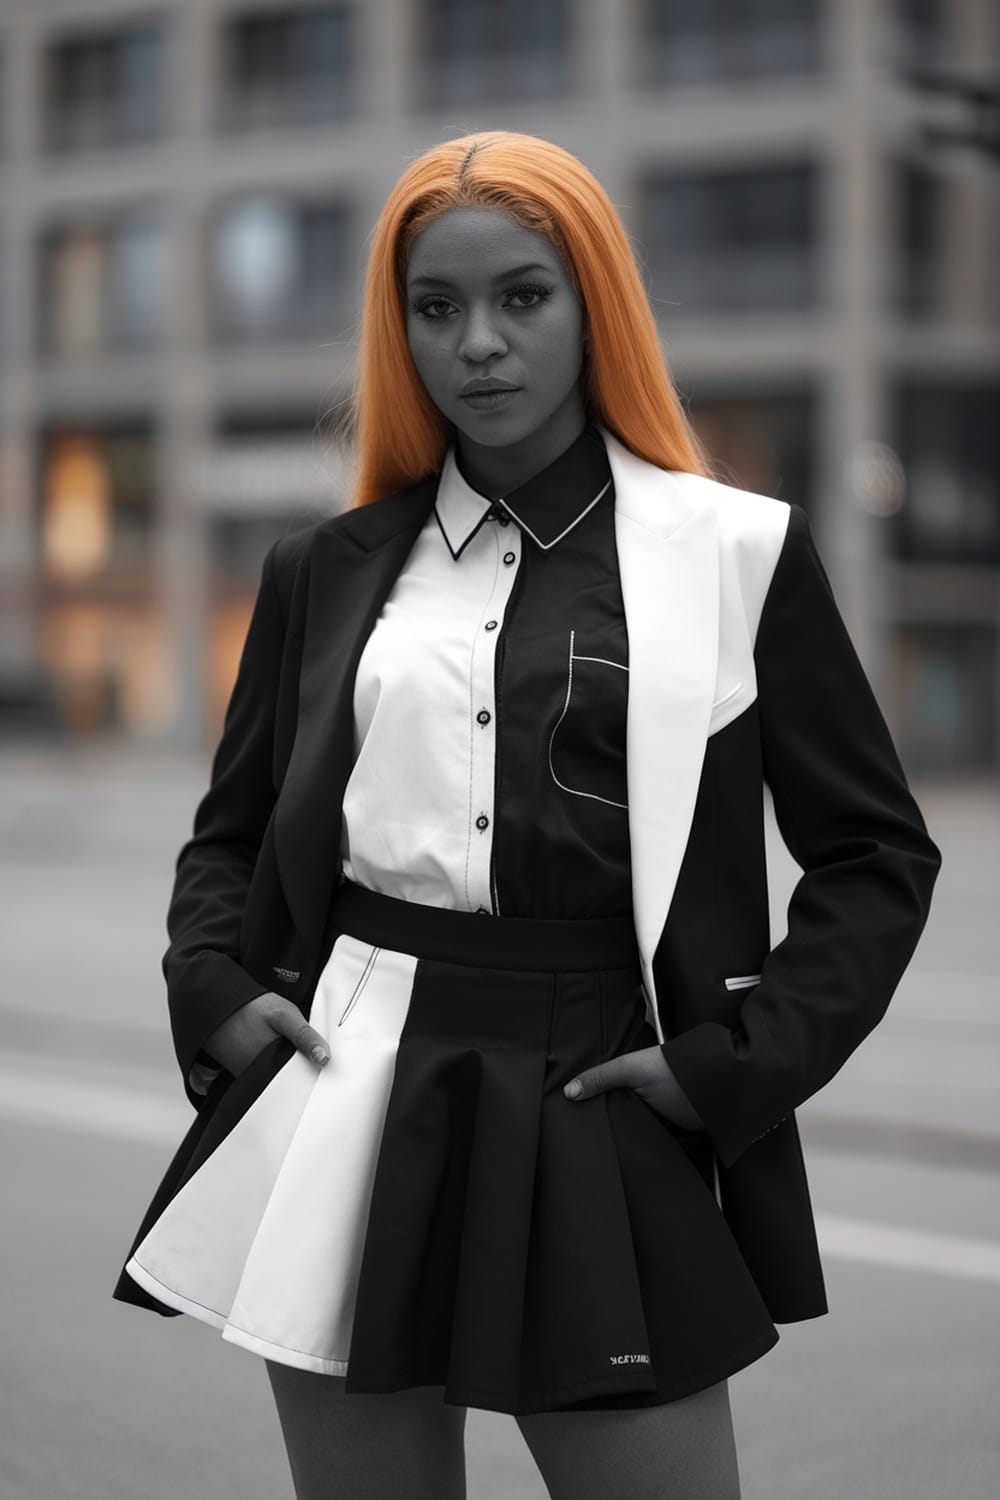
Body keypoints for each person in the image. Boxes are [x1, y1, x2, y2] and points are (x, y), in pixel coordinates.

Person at [114, 131, 941, 1500]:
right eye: (434, 309)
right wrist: (209, 983)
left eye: (523, 298)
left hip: (604, 1089)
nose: (477, 345)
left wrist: (737, 1063)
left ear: (593, 303)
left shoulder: (734, 555)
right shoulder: (322, 570)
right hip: (351, 1085)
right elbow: (236, 831)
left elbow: (874, 855)